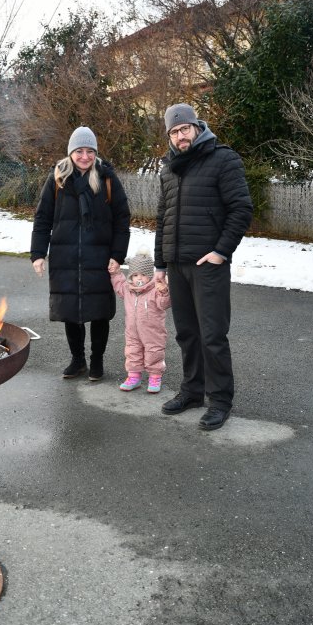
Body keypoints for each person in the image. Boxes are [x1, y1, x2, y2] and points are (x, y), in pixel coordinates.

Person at [155, 103, 253, 430]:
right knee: (187, 334)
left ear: (197, 127)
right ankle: (192, 391)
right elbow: (162, 219)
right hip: (176, 264)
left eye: (185, 129)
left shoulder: (223, 159)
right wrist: (159, 265)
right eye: (174, 131)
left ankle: (220, 400)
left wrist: (220, 252)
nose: (181, 136)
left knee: (212, 335)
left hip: (208, 264)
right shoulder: (169, 168)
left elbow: (241, 209)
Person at [31, 126, 130, 381]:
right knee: (70, 311)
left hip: (99, 257)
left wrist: (117, 255)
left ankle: (97, 361)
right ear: (70, 152)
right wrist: (38, 253)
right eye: (79, 151)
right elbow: (42, 218)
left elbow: (122, 219)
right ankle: (78, 360)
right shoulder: (57, 179)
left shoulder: (107, 178)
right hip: (65, 258)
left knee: (99, 312)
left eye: (89, 151)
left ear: (95, 152)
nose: (84, 156)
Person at [110, 247, 171, 393]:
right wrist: (115, 273)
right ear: (131, 276)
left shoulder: (155, 290)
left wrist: (163, 291)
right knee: (132, 351)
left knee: (154, 351)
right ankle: (134, 376)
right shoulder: (127, 289)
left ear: (150, 276)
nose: (139, 278)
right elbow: (118, 284)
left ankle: (155, 377)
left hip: (153, 331)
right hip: (132, 330)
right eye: (135, 275)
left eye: (143, 275)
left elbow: (164, 304)